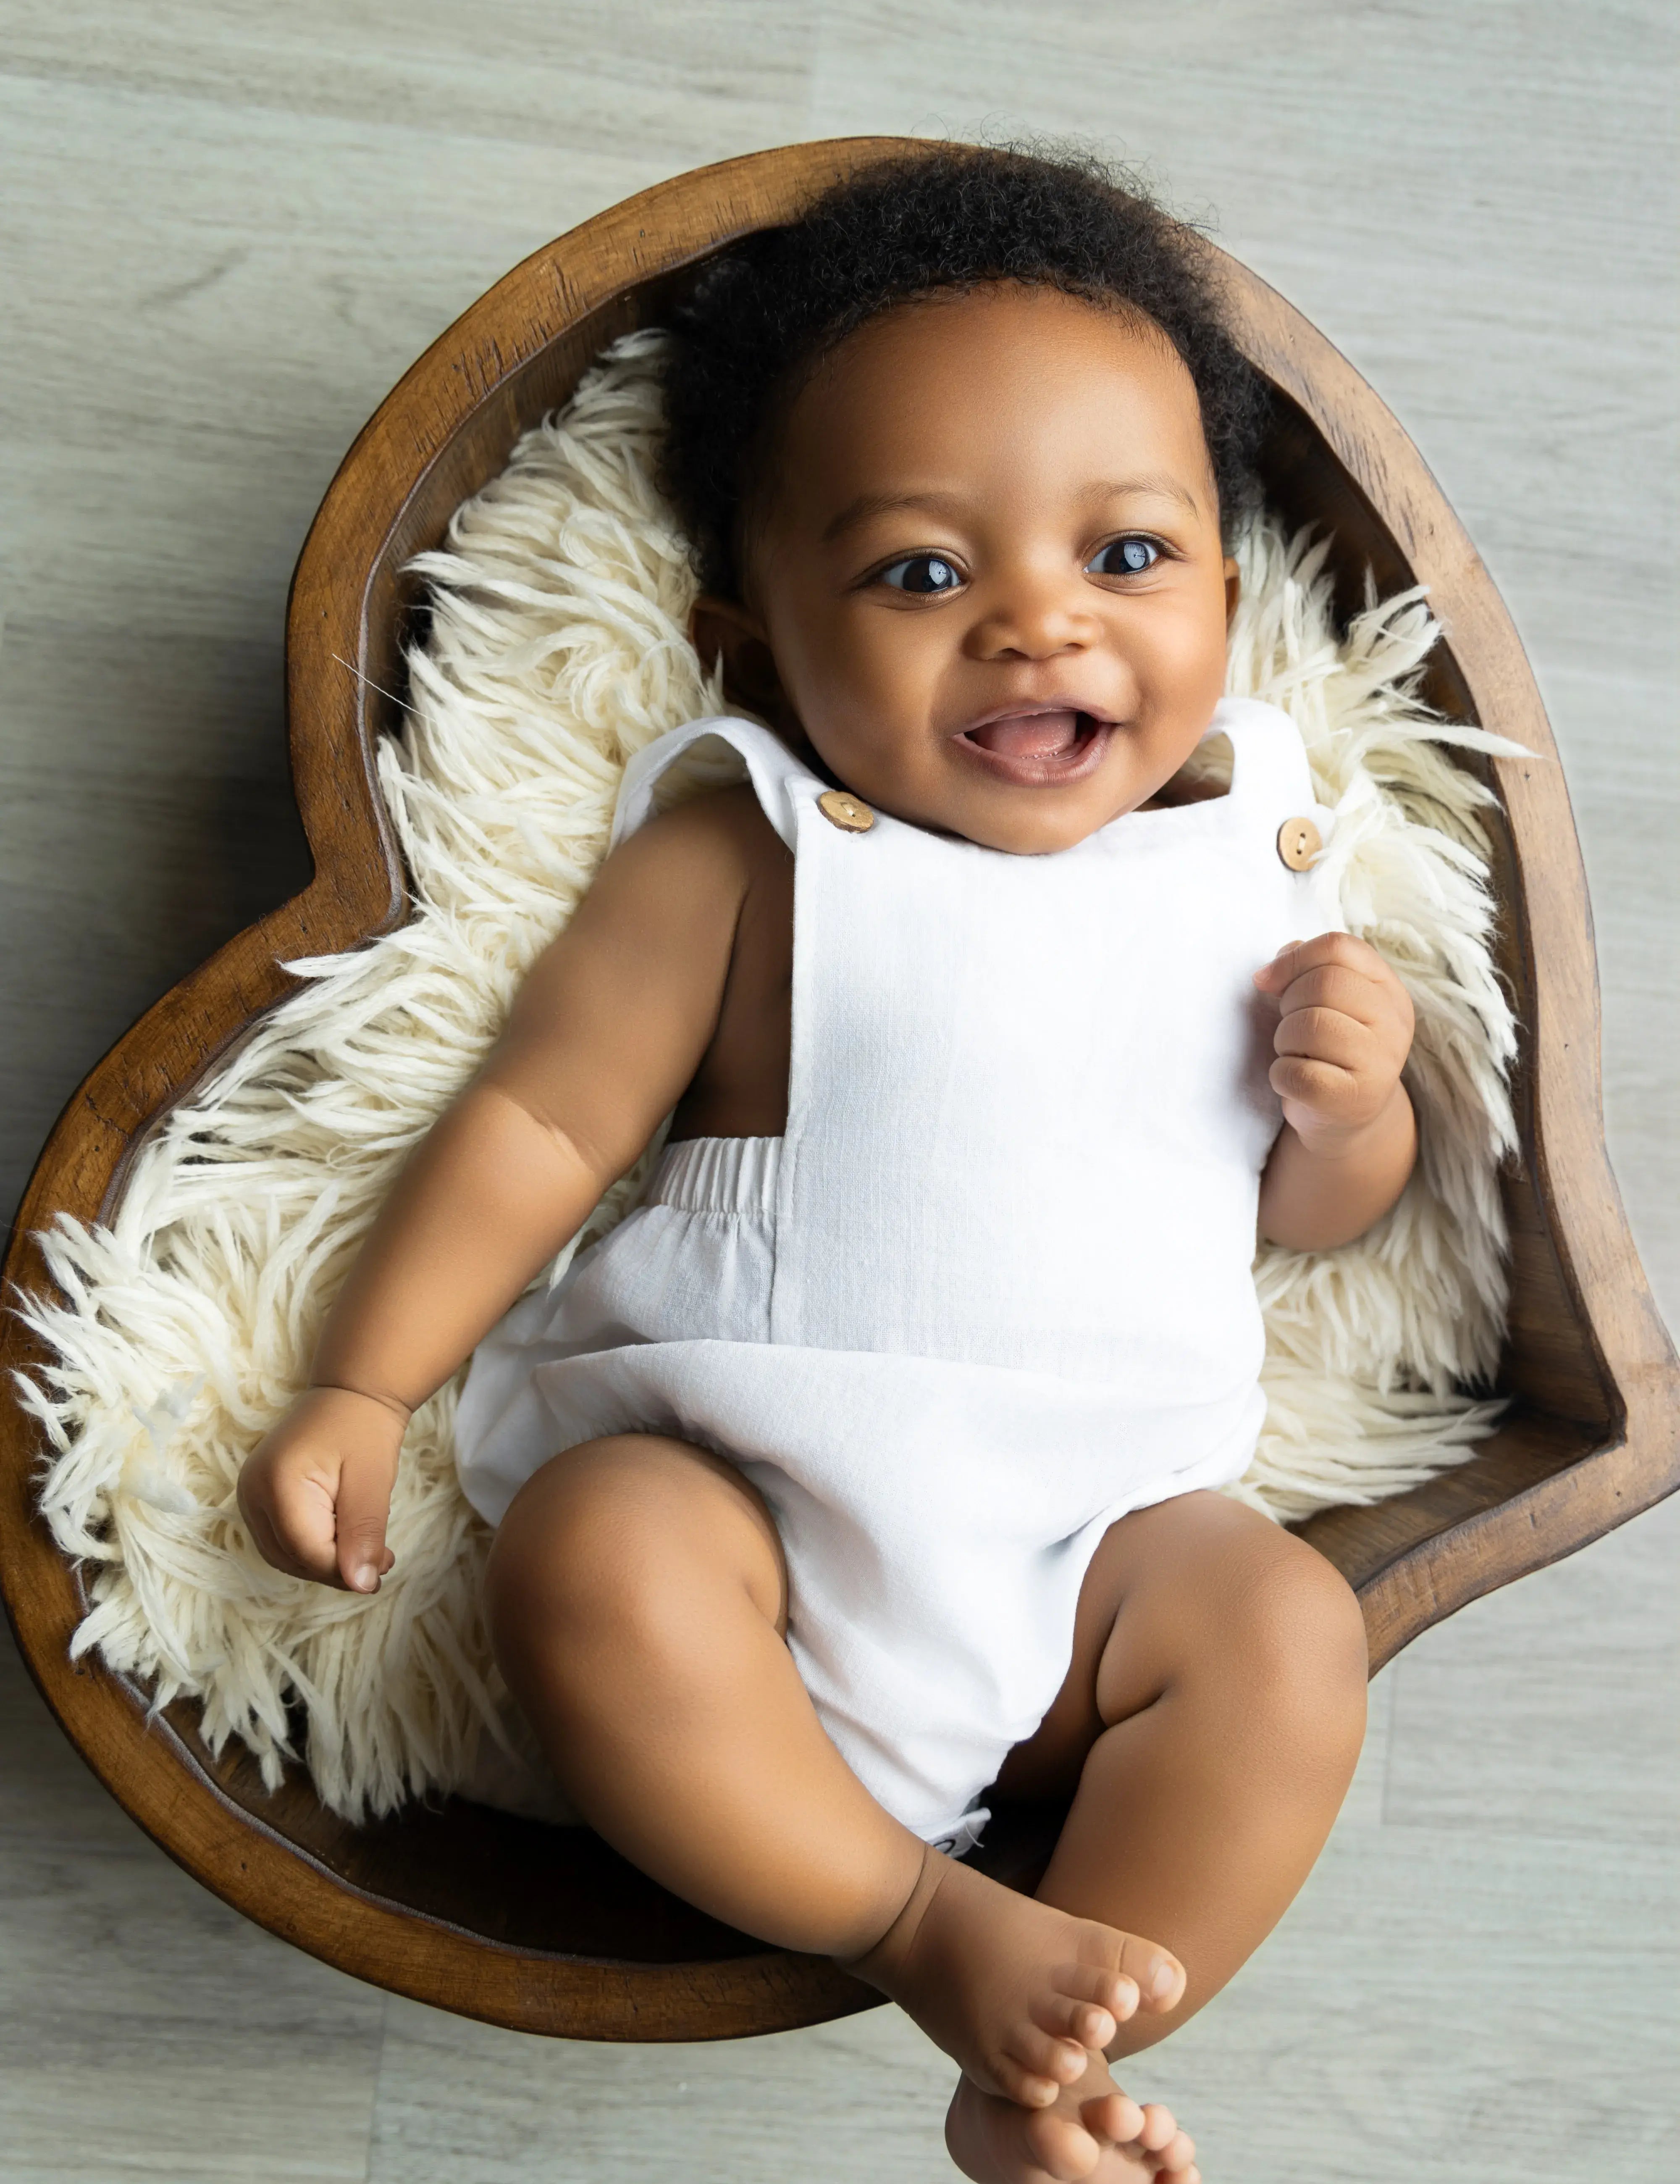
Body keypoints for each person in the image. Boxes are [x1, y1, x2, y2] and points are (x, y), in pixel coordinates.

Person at [239, 147, 1415, 2184]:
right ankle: (915, 1920)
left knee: (1291, 1637)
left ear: (1229, 590)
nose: (1038, 621)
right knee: (590, 1551)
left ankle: (1052, 2052)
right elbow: (538, 1118)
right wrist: (363, 1378)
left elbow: (1298, 1222)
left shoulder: (1255, 870)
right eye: (921, 574)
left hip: (1095, 1560)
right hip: (753, 1519)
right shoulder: (757, 848)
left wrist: (1351, 1109)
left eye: (1129, 555)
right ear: (761, 646)